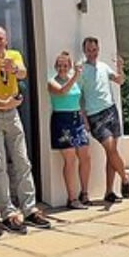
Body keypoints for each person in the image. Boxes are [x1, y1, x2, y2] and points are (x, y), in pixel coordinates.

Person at [0, 25, 52, 232]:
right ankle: (7, 212)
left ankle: (29, 209)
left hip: (13, 115)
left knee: (22, 160)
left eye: (0, 38)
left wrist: (15, 71)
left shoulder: (14, 55)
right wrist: (4, 103)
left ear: (6, 41)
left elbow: (24, 74)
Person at [79, 36, 129, 204]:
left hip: (111, 110)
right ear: (84, 51)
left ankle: (109, 191)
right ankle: (125, 177)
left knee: (111, 153)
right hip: (95, 115)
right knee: (110, 148)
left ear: (98, 49)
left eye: (94, 50)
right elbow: (79, 97)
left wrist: (120, 68)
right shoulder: (81, 71)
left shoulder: (103, 67)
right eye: (88, 50)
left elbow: (120, 81)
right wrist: (84, 118)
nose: (92, 53)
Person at [47, 50, 92, 209]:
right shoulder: (52, 81)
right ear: (55, 66)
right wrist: (74, 77)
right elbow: (61, 91)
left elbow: (78, 101)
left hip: (76, 119)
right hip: (62, 121)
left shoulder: (74, 82)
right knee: (70, 159)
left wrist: (84, 121)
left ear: (70, 65)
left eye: (65, 65)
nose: (62, 68)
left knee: (85, 156)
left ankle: (84, 193)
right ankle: (72, 199)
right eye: (59, 65)